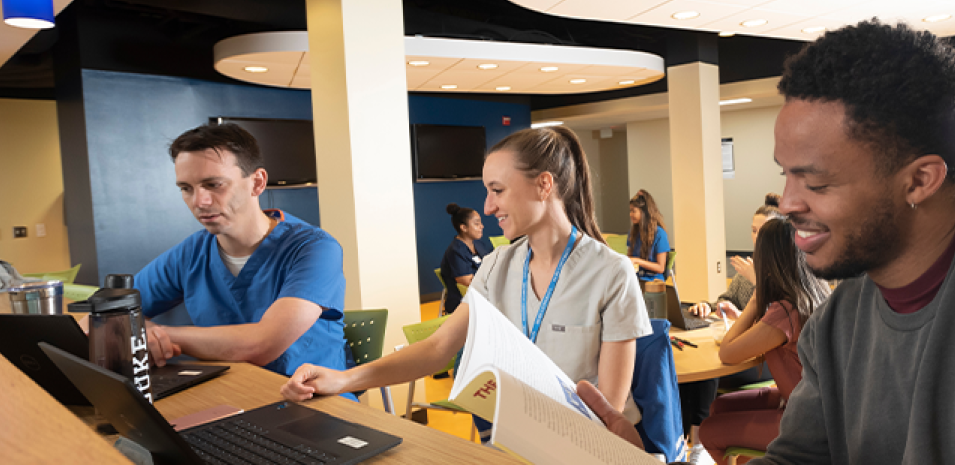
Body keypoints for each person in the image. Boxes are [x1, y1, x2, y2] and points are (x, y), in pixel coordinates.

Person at [585, 19, 955, 463]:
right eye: (786, 173)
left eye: (816, 181)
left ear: (920, 179)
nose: (789, 203)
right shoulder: (845, 312)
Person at [282, 126, 652, 431]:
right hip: (515, 440)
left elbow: (608, 410)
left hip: (584, 445)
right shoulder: (496, 266)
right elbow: (437, 348)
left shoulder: (611, 273)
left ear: (543, 185)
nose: (488, 207)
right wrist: (343, 379)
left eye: (497, 190)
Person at [127, 124, 349, 382]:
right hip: (228, 395)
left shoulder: (314, 248)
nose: (199, 201)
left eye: (213, 184)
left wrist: (156, 334)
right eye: (186, 188)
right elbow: (101, 320)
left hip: (312, 402)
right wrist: (138, 330)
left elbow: (262, 345)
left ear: (257, 183)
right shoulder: (191, 253)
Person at [697, 217, 828, 464]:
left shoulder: (785, 309)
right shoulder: (812, 293)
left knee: (709, 430)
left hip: (805, 421)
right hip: (813, 407)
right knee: (719, 407)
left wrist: (756, 299)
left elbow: (727, 352)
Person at [438, 203, 494, 314]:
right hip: (465, 305)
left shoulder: (478, 244)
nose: (481, 226)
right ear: (463, 227)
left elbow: (492, 265)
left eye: (480, 223)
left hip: (483, 298)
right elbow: (467, 282)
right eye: (476, 224)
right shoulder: (456, 251)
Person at [627, 189, 671, 282]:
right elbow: (629, 258)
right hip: (636, 280)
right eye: (630, 211)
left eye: (633, 211)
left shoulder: (660, 234)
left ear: (644, 213)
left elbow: (660, 268)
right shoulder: (633, 233)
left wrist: (637, 261)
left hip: (653, 282)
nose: (631, 214)